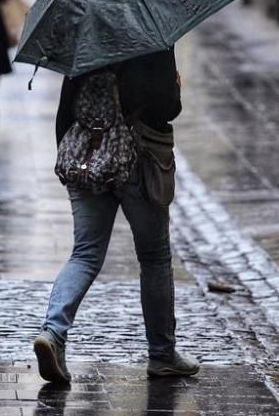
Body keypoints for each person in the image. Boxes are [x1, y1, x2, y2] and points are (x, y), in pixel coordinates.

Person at [33, 48, 199, 383]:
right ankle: (162, 355)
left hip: (87, 157)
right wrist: (175, 87)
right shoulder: (154, 39)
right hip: (141, 158)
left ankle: (52, 333)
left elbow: (65, 111)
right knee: (153, 257)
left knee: (84, 255)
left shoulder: (87, 36)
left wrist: (79, 159)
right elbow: (167, 107)